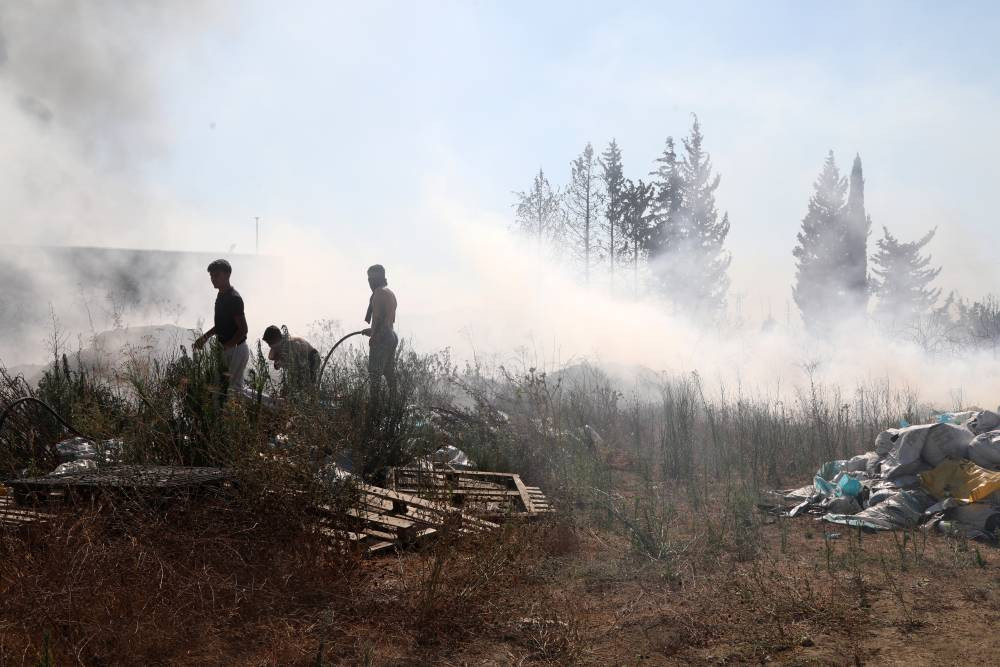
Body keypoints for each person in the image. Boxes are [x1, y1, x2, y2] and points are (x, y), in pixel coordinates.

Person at [193, 259, 249, 398]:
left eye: (216, 275)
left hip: (236, 349)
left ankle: (272, 406)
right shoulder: (221, 296)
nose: (213, 279)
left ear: (227, 275)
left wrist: (228, 346)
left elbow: (243, 329)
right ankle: (273, 404)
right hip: (227, 348)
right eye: (211, 276)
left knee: (234, 390)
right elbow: (220, 325)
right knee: (231, 388)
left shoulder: (234, 298)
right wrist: (205, 337)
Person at [362, 264, 398, 406]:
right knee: (389, 373)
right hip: (391, 336)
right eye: (369, 278)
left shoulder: (378, 293)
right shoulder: (390, 293)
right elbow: (388, 321)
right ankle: (395, 404)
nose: (370, 281)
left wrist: (374, 335)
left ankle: (374, 407)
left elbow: (377, 318)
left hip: (382, 338)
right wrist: (371, 331)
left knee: (375, 375)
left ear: (379, 278)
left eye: (372, 278)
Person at [262, 325, 320, 391]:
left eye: (270, 343)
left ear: (276, 339)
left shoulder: (291, 343)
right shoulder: (277, 345)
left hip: (311, 356)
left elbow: (301, 355)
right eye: (268, 344)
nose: (269, 346)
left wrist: (284, 361)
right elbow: (271, 357)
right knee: (296, 385)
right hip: (301, 361)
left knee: (307, 385)